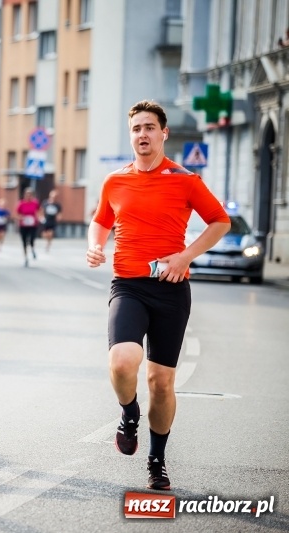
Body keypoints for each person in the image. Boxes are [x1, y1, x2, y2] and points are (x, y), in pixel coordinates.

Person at [86, 100, 230, 491]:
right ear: (130, 134)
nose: (143, 134)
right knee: (122, 361)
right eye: (136, 128)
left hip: (170, 289)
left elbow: (220, 221)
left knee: (161, 382)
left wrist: (185, 256)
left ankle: (157, 460)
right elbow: (101, 221)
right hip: (128, 284)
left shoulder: (185, 179)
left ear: (163, 133)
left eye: (150, 127)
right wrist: (95, 245)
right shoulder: (115, 181)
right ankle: (129, 412)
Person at [16, 187, 39, 266]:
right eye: (27, 195)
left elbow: (39, 210)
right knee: (24, 241)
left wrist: (38, 217)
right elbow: (16, 213)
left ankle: (32, 249)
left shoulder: (35, 203)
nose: (28, 196)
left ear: (32, 195)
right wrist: (20, 217)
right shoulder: (21, 203)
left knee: (32, 239)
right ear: (24, 195)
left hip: (32, 224)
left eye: (30, 195)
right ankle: (26, 258)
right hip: (23, 224)